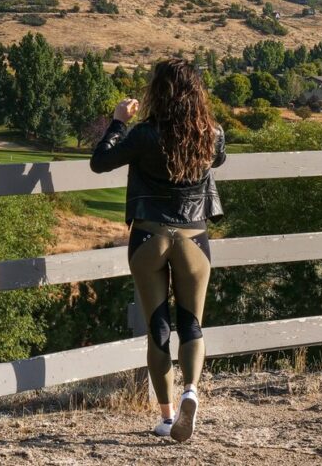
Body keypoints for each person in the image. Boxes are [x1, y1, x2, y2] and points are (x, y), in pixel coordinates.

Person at [89, 58, 226, 443]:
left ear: (157, 92)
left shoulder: (144, 135)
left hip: (150, 237)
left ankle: (167, 418)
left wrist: (118, 120)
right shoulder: (211, 134)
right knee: (192, 324)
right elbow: (218, 158)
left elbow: (100, 162)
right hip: (194, 240)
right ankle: (191, 392)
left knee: (158, 329)